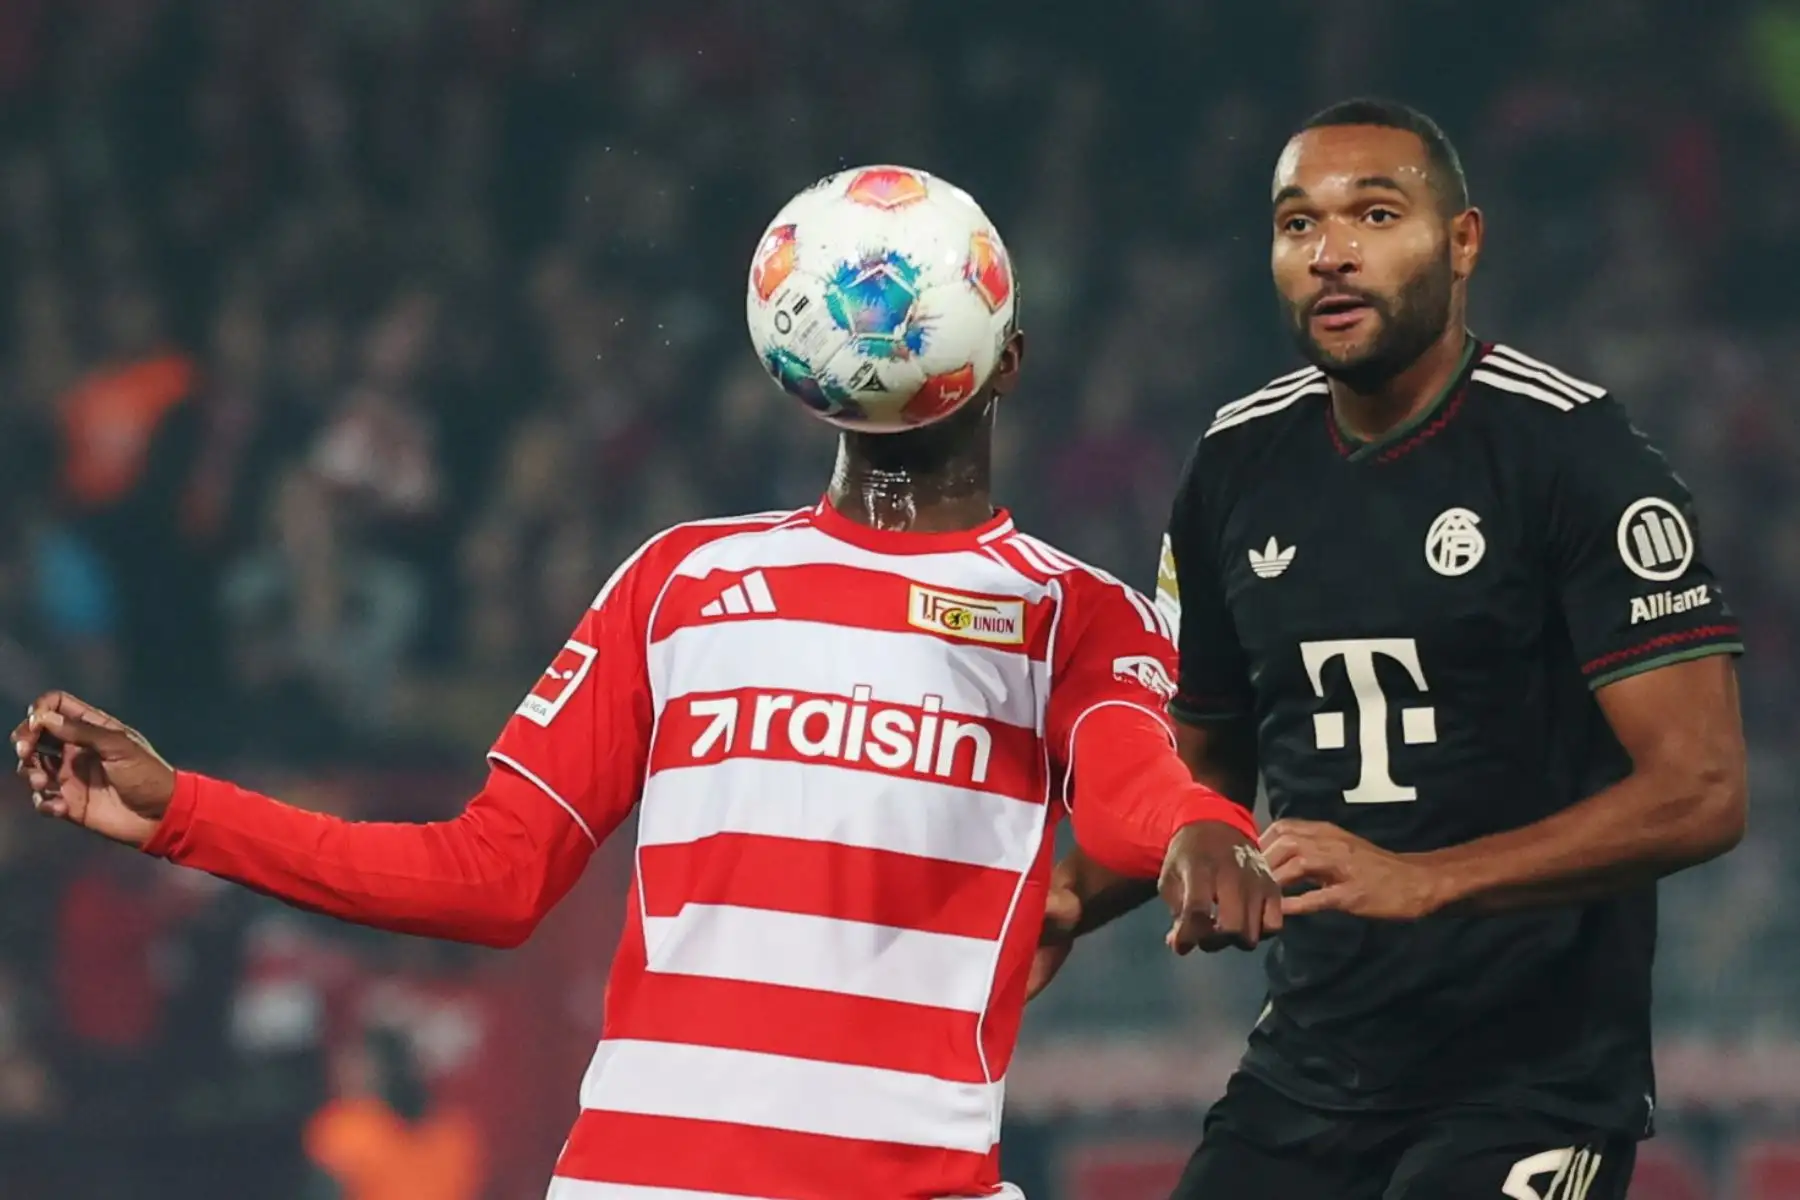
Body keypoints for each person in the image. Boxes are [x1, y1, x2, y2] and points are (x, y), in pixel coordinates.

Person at [11, 169, 1280, 1200]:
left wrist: (1198, 828)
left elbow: (1126, 786)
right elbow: (491, 878)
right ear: (1010, 357)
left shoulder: (1070, 609)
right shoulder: (681, 580)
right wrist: (182, 810)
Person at [1032, 99, 1748, 1200]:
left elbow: (1700, 791)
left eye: (1374, 214)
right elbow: (1207, 768)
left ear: (1463, 242)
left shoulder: (1574, 458)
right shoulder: (1234, 466)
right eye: (1297, 225)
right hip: (1316, 1061)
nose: (1331, 255)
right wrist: (1075, 897)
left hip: (1533, 1078)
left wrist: (1428, 881)